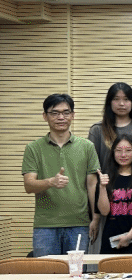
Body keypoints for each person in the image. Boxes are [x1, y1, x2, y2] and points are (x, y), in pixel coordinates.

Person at [23, 94, 102, 256]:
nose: (61, 117)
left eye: (66, 112)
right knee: (46, 271)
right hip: (45, 226)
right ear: (45, 116)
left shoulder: (87, 146)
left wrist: (95, 218)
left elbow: (92, 185)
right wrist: (51, 182)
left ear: (73, 115)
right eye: (54, 113)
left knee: (76, 271)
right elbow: (29, 185)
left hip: (79, 224)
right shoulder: (33, 148)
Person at [98, 135, 132, 254]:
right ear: (113, 152)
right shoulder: (106, 176)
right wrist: (102, 187)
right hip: (112, 236)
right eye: (118, 150)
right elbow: (104, 211)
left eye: (128, 150)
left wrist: (129, 236)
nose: (123, 155)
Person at [87, 82, 132, 177]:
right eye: (116, 99)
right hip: (106, 183)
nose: (121, 104)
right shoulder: (97, 130)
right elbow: (91, 165)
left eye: (126, 99)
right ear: (109, 102)